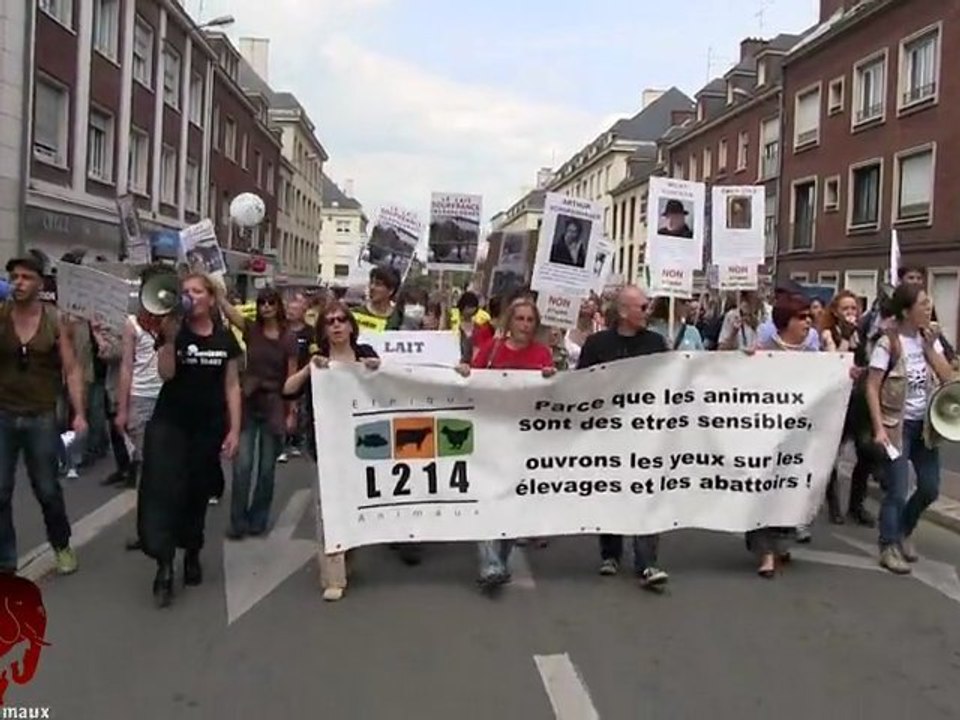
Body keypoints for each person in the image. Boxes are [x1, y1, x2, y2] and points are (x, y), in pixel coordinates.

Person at [138, 272, 241, 608]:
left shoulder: (225, 340)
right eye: (185, 291)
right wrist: (168, 341)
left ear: (211, 298)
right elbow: (165, 375)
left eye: (198, 291)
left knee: (197, 493)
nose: (190, 296)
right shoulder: (175, 332)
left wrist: (234, 430)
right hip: (170, 424)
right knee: (164, 493)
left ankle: (192, 551)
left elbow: (231, 387)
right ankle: (164, 565)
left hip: (207, 427)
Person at [455, 298, 556, 593]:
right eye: (520, 318)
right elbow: (471, 380)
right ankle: (490, 563)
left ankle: (499, 558)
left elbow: (551, 397)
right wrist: (464, 370)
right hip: (490, 433)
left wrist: (551, 378)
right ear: (509, 322)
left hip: (524, 439)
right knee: (487, 496)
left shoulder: (542, 353)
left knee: (513, 499)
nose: (524, 324)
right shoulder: (492, 349)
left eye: (530, 320)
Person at [283, 300, 380, 601]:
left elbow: (389, 387)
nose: (336, 325)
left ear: (351, 325)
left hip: (362, 446)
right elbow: (288, 389)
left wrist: (376, 369)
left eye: (341, 320)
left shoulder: (366, 354)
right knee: (327, 510)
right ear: (323, 330)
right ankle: (333, 577)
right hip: (323, 445)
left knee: (352, 505)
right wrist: (309, 371)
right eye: (330, 321)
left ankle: (346, 554)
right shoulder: (317, 359)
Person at [576, 286, 670, 590]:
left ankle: (646, 562)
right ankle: (610, 553)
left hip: (646, 434)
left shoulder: (656, 344)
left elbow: (677, 377)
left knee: (645, 492)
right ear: (625, 311)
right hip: (609, 434)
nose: (648, 312)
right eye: (642, 307)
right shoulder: (597, 343)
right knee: (611, 490)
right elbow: (579, 384)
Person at [0, 256, 86, 575]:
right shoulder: (2, 315)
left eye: (25, 277)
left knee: (47, 488)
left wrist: (79, 412)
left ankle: (61, 544)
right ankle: (5, 560)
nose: (18, 282)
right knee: (0, 491)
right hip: (4, 414)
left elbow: (72, 368)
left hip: (41, 416)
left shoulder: (54, 320)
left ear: (40, 283)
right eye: (14, 277)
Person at [865, 283, 954, 575]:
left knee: (929, 488)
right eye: (923, 304)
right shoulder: (887, 343)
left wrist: (930, 347)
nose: (929, 308)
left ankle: (904, 529)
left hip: (926, 425)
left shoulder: (929, 339)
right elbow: (872, 386)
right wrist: (878, 428)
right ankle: (888, 545)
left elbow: (947, 378)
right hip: (895, 426)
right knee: (898, 489)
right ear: (906, 311)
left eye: (929, 303)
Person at [747, 293, 816, 578]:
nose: (808, 322)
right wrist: (743, 362)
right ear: (786, 321)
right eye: (802, 317)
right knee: (763, 491)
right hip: (766, 436)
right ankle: (765, 551)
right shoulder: (764, 351)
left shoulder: (815, 356)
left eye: (809, 317)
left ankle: (780, 543)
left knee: (789, 489)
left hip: (799, 437)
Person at [220, 288, 297, 540]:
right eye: (261, 302)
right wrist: (212, 287)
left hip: (275, 405)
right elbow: (230, 313)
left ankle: (258, 519)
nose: (265, 307)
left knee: (266, 469)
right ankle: (238, 521)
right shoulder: (251, 330)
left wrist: (291, 413)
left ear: (278, 306)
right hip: (249, 403)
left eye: (270, 302)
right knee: (242, 466)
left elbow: (292, 377)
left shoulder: (288, 338)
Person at [820, 290, 875, 527]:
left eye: (854, 309)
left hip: (857, 400)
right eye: (846, 309)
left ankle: (857, 504)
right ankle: (833, 504)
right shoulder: (827, 333)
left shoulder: (862, 334)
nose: (851, 313)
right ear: (835, 312)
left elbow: (868, 361)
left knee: (866, 450)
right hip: (835, 401)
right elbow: (836, 362)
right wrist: (846, 338)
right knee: (832, 453)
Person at [114, 308, 164, 551]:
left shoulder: (173, 322)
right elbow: (126, 367)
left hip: (168, 398)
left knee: (166, 469)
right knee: (145, 467)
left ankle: (165, 527)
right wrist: (123, 409)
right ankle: (146, 532)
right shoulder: (132, 323)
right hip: (141, 399)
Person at [278, 293, 316, 463]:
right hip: (282, 377)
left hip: (303, 377)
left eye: (295, 309)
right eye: (289, 308)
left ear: (304, 311)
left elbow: (315, 352)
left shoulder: (310, 332)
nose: (291, 312)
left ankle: (297, 440)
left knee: (299, 412)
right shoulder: (280, 330)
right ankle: (282, 444)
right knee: (281, 410)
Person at [352, 266, 403, 332]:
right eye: (371, 282)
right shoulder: (355, 313)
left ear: (391, 290)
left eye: (378, 284)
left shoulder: (398, 318)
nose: (372, 287)